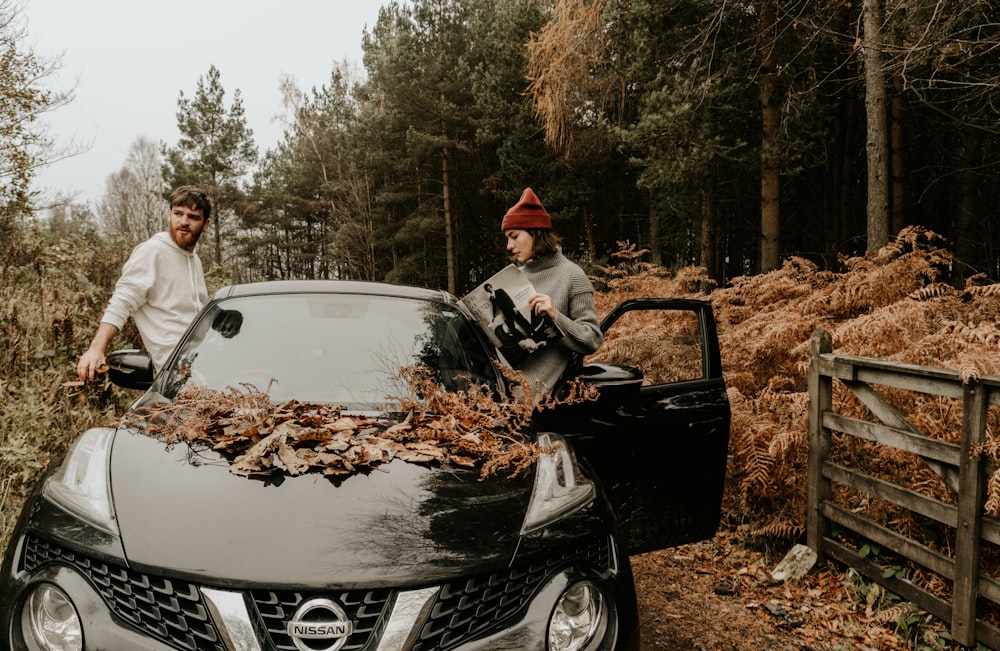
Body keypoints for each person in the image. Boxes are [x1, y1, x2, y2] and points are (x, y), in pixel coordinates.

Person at [76, 185, 212, 381]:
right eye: (178, 213)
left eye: (193, 217)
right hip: (178, 374)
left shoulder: (195, 261)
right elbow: (123, 300)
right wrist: (96, 348)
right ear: (169, 215)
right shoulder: (152, 251)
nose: (183, 222)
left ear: (205, 224)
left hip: (207, 364)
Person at [500, 187, 603, 391]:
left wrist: (556, 317)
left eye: (514, 236)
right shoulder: (513, 278)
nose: (509, 246)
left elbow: (592, 338)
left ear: (535, 233)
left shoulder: (572, 276)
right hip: (498, 391)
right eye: (507, 239)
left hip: (539, 401)